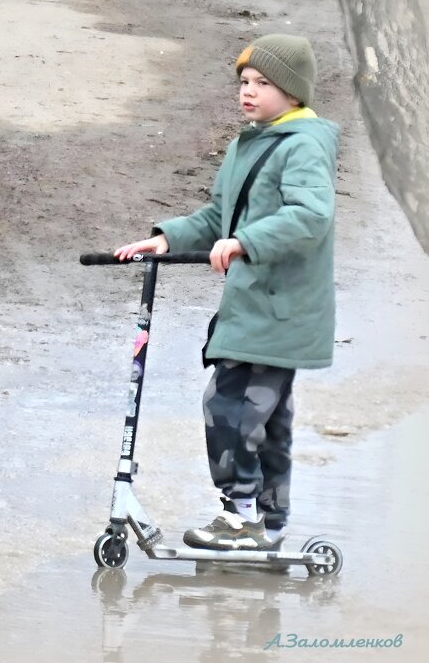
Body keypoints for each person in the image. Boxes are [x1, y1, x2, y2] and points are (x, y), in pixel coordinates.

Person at [114, 34, 338, 551]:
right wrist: (168, 238)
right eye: (244, 82)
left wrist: (245, 242)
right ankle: (270, 523)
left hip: (281, 309)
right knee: (267, 421)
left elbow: (311, 216)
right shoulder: (250, 142)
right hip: (254, 303)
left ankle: (242, 519)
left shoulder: (303, 144)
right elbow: (220, 216)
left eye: (264, 83)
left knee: (230, 408)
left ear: (295, 92)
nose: (250, 92)